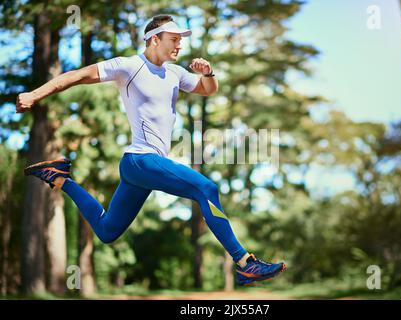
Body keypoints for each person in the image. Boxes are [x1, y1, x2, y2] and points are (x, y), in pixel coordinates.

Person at [16, 15, 286, 285]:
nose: (179, 45)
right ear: (154, 39)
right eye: (174, 39)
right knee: (206, 189)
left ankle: (60, 177)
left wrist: (208, 73)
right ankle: (245, 263)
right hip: (141, 161)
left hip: (143, 167)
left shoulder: (175, 73)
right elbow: (76, 76)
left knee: (108, 230)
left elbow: (208, 90)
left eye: (180, 40)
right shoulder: (128, 66)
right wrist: (35, 94)